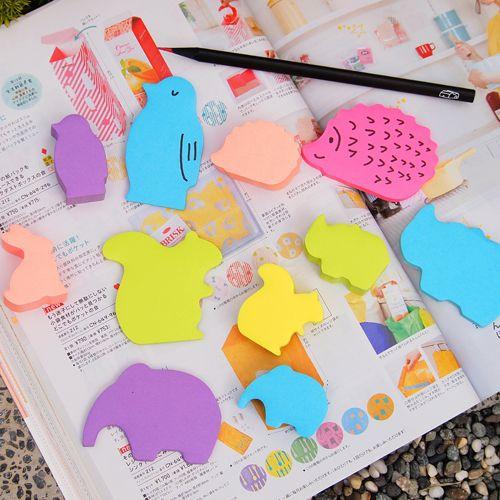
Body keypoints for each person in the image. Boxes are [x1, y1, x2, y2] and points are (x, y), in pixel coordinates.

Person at [455, 0, 500, 88]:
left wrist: (486, 78)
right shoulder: (493, 24)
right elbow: (495, 71)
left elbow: (489, 78)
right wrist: (474, 56)